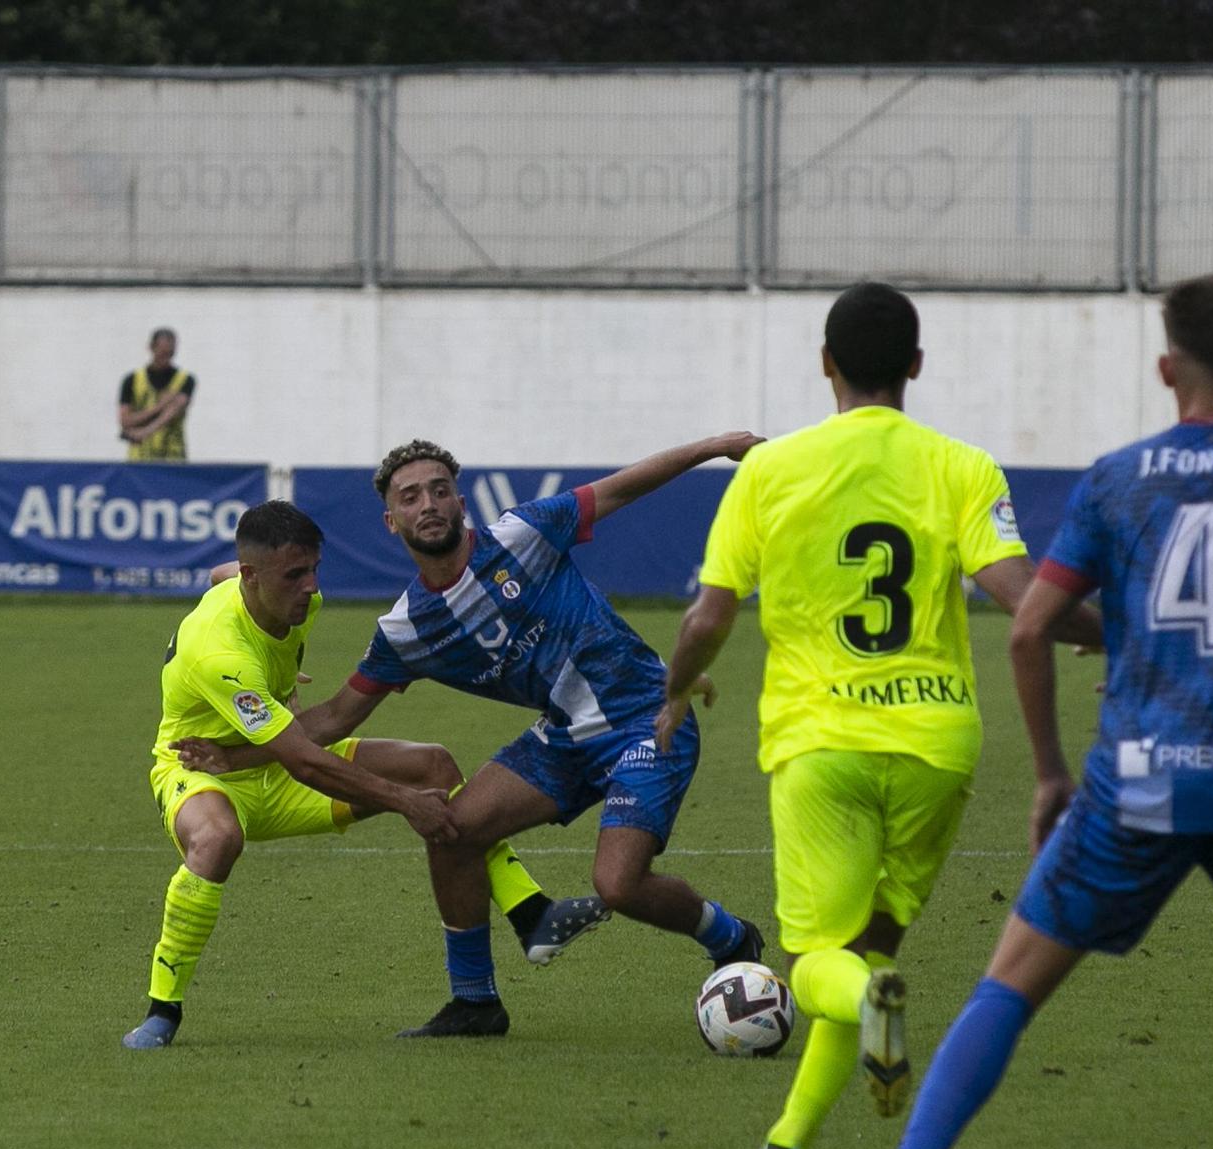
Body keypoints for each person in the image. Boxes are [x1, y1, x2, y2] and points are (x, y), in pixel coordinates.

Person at [791, 274, 1213, 1149]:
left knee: (1011, 982)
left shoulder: (1120, 478)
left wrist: (1046, 771)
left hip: (1136, 777)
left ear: (1165, 369)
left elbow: (1028, 625)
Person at [657, 282, 1101, 1149]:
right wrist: (1114, 633)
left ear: (825, 364)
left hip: (821, 747)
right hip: (938, 746)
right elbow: (1022, 596)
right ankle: (786, 1148)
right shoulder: (963, 467)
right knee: (868, 947)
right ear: (916, 365)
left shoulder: (769, 472)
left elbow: (709, 616)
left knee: (825, 965)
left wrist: (674, 688)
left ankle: (868, 1007)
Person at [289, 433, 770, 1038]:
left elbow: (627, 483)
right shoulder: (406, 629)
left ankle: (730, 935)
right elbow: (334, 718)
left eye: (440, 490)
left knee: (617, 884)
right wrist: (239, 740)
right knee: (452, 831)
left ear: (462, 502)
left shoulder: (527, 534)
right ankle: (475, 1003)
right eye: (410, 497)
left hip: (648, 719)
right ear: (392, 520)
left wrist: (718, 446)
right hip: (565, 740)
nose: (428, 504)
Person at [121, 500, 606, 1049]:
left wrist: (268, 674)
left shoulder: (271, 593)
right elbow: (305, 757)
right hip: (201, 771)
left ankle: (532, 912)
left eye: (313, 569)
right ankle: (163, 1009)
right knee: (217, 838)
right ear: (257, 578)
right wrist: (403, 802)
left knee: (434, 765)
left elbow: (222, 574)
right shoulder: (218, 653)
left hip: (269, 759)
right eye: (294, 575)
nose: (310, 587)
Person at [118, 327, 194, 462]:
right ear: (151, 348)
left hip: (173, 459)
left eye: (170, 353)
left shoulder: (184, 379)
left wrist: (145, 431)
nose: (166, 358)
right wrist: (160, 406)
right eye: (163, 353)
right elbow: (125, 421)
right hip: (139, 460)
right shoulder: (132, 380)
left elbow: (173, 411)